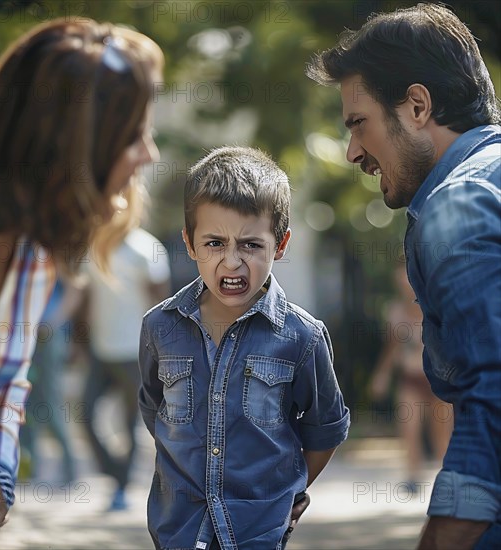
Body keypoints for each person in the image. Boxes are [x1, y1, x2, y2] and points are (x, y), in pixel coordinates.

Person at [0, 18, 163, 549]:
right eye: (133, 133)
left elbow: (1, 387)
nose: (149, 153)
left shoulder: (35, 248)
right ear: (69, 143)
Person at [307, 3, 500, 548]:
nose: (351, 152)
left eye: (358, 124)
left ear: (417, 106)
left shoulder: (455, 205)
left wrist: (448, 533)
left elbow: (495, 388)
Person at [138, 146, 350, 549]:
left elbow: (325, 430)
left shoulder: (302, 337)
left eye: (251, 245)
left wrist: (287, 493)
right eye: (215, 243)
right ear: (189, 243)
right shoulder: (159, 327)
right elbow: (156, 412)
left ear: (280, 244)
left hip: (258, 534)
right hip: (178, 532)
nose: (232, 262)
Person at [83, 183, 171, 511]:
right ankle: (116, 474)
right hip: (100, 349)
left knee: (130, 424)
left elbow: (161, 301)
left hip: (136, 352)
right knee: (86, 413)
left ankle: (121, 488)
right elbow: (85, 296)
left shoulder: (147, 249)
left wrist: (162, 350)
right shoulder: (95, 247)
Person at [369, 263, 452, 492]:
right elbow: (392, 347)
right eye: (401, 280)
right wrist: (382, 375)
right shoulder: (395, 311)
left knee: (441, 435)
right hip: (410, 378)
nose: (406, 285)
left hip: (438, 380)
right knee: (409, 428)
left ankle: (448, 479)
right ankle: (413, 477)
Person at [20, 278, 83, 484]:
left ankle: (70, 468)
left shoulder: (52, 250)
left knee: (50, 403)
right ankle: (28, 469)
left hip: (48, 337)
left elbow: (76, 287)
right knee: (24, 402)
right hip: (24, 336)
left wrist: (53, 321)